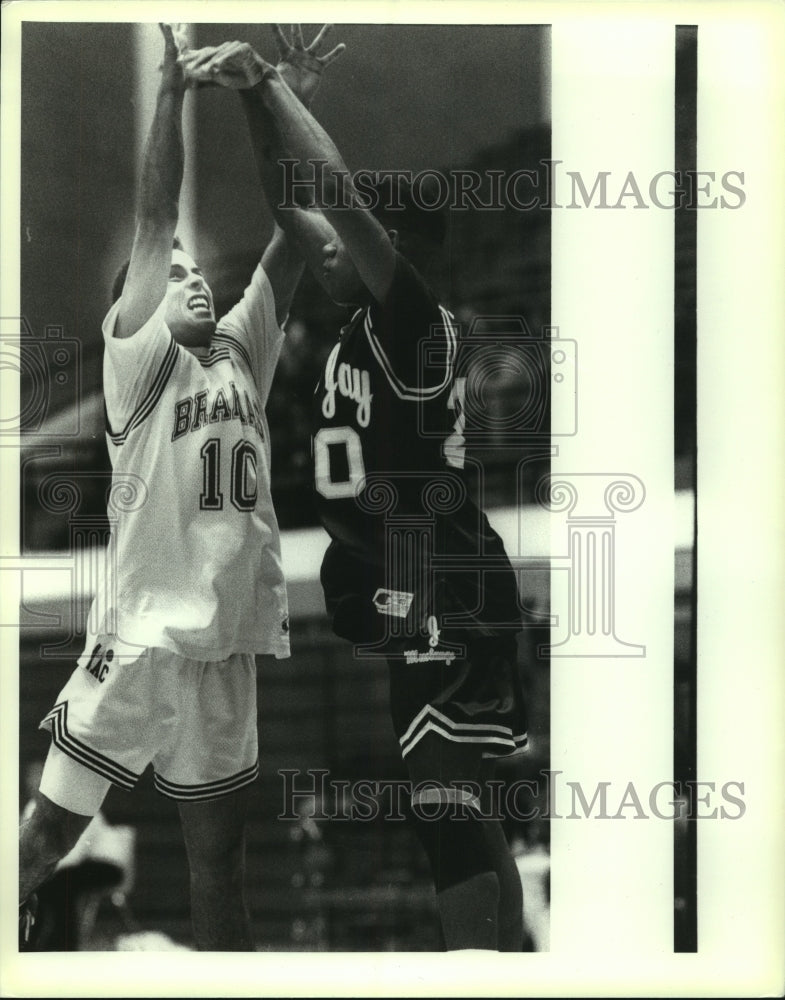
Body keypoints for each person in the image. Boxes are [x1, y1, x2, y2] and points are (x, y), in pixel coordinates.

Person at [184, 29, 529, 951]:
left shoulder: (413, 321)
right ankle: (509, 956)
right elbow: (293, 200)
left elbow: (330, 192)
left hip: (445, 581)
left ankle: (479, 965)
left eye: (358, 239)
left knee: (441, 805)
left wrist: (265, 80)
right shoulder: (351, 324)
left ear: (396, 251)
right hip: (407, 585)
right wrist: (268, 101)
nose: (332, 245)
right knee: (456, 806)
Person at [19, 22, 343, 951]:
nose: (193, 276)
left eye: (200, 271)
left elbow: (294, 234)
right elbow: (156, 217)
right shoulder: (139, 361)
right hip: (140, 635)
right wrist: (169, 92)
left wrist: (286, 98)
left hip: (225, 645)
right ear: (136, 307)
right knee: (45, 837)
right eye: (173, 275)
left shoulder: (244, 348)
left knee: (220, 872)